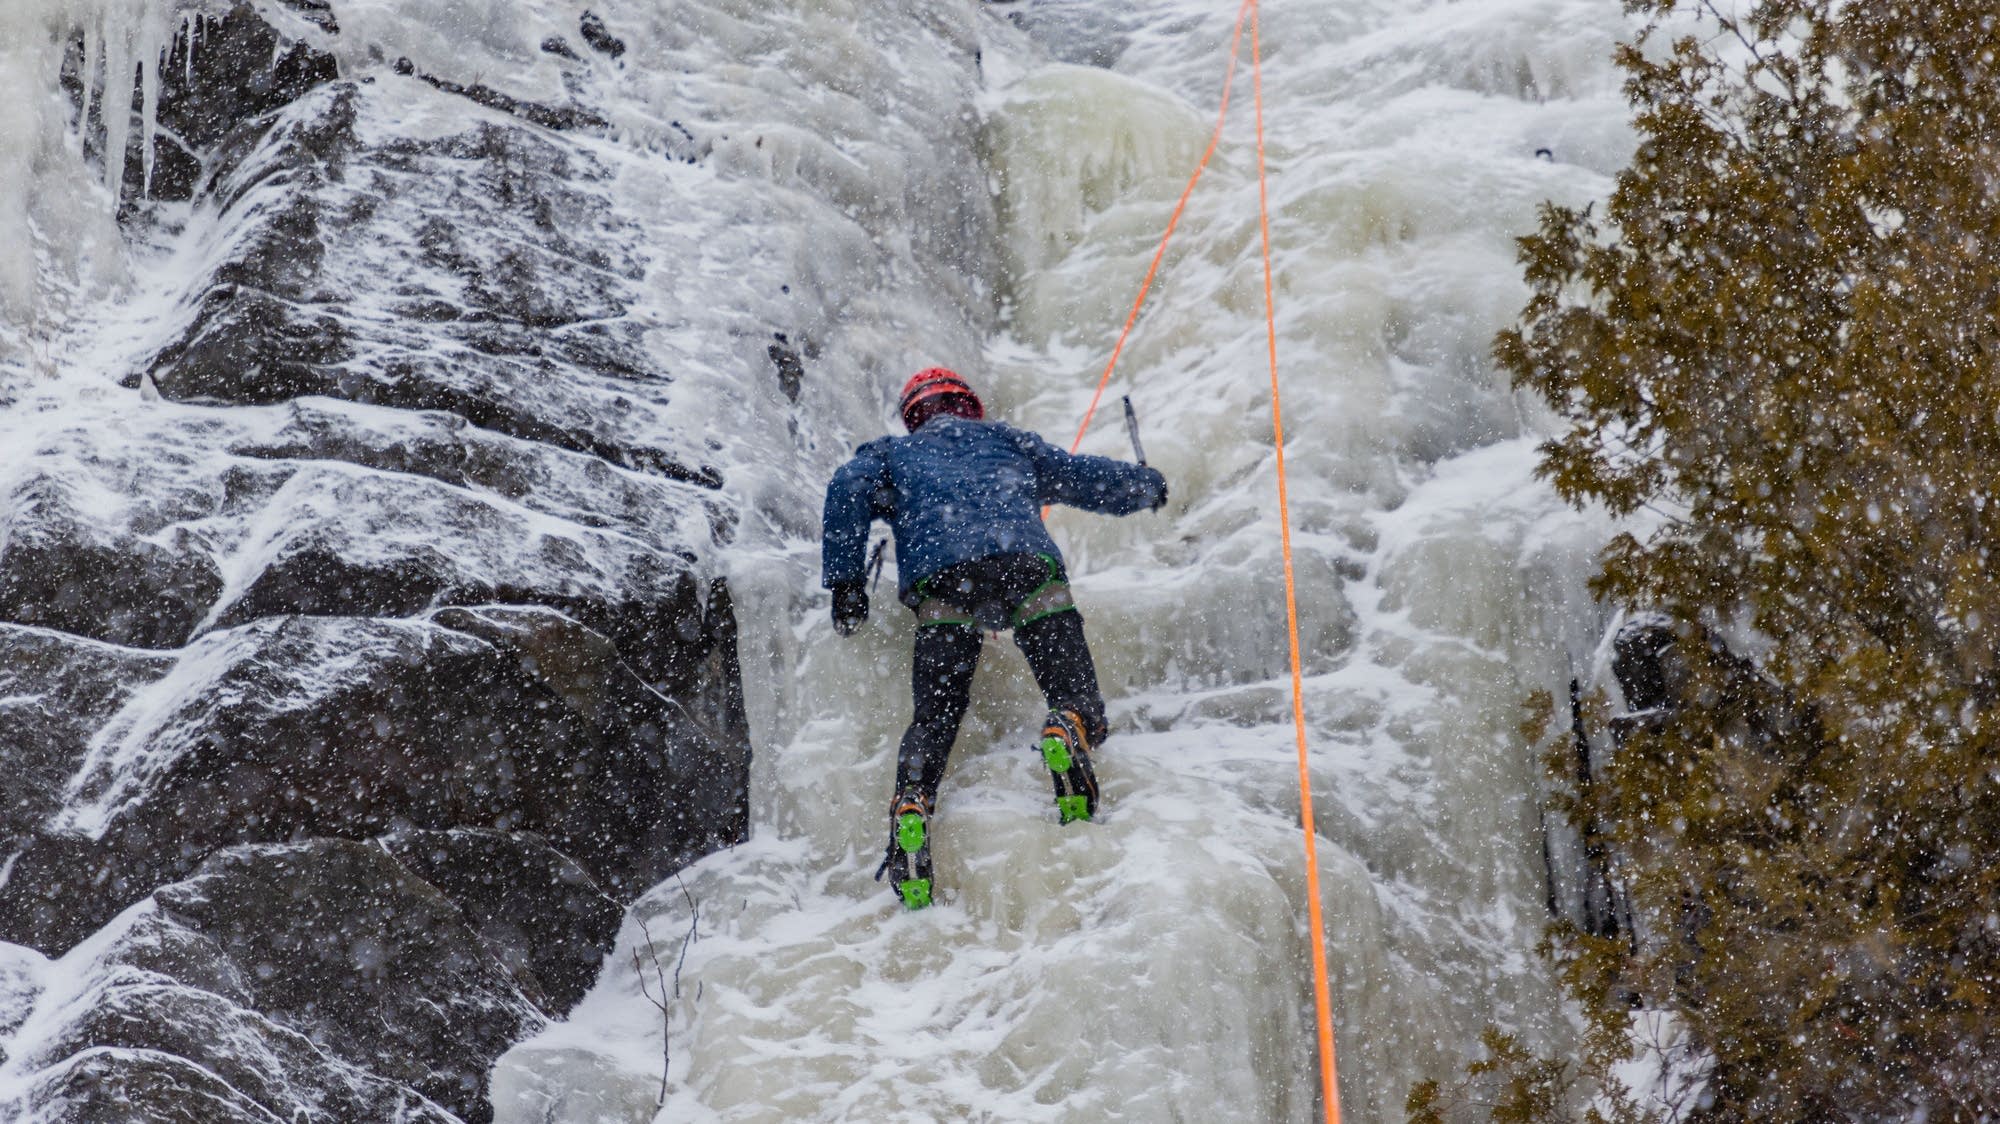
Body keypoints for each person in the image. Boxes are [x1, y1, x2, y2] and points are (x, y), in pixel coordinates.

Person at [821, 367, 1168, 908]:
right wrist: (1143, 486)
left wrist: (846, 582)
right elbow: (1078, 476)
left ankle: (913, 800)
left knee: (935, 718)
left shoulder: (892, 453)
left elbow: (846, 486)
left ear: (915, 416)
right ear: (968, 406)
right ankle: (1069, 725)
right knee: (1073, 690)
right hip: (1025, 565)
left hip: (943, 582)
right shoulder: (1006, 439)